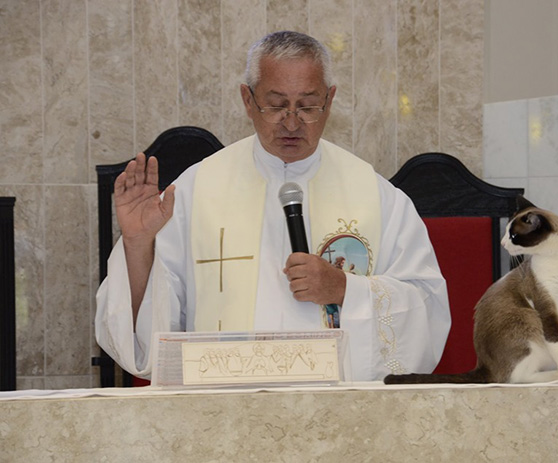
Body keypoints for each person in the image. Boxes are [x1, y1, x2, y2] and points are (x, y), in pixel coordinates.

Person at [95, 31, 450, 382]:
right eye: (276, 105)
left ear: (330, 99)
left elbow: (426, 309)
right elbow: (147, 337)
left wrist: (345, 289)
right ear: (247, 100)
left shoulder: (377, 196)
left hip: (336, 417)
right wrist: (138, 244)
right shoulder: (193, 190)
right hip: (222, 409)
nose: (292, 123)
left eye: (308, 106)